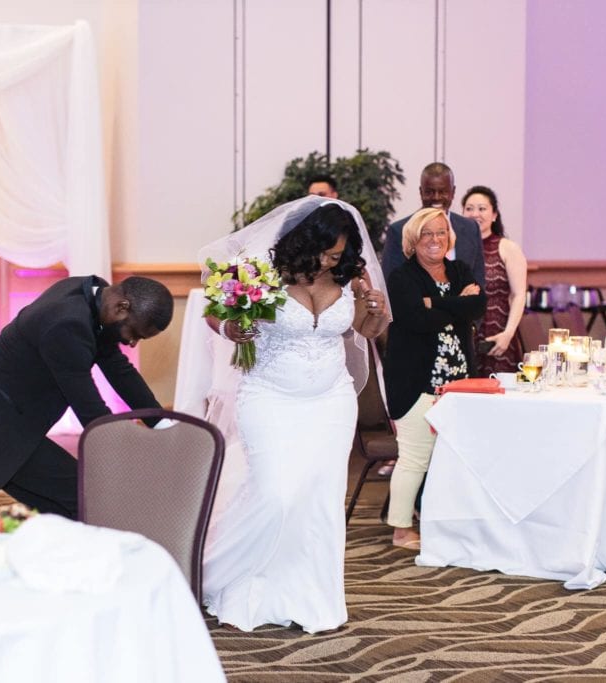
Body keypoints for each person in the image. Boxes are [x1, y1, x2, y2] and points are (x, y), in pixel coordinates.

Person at [198, 196, 389, 633]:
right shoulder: (263, 273)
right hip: (269, 396)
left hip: (332, 400)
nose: (328, 261)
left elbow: (367, 332)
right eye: (323, 252)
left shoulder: (350, 280)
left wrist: (375, 310)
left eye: (337, 255)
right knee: (276, 494)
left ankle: (309, 595)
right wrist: (232, 327)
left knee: (320, 499)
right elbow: (217, 315)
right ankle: (223, 575)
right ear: (305, 242)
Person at [0, 275, 173, 519]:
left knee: (71, 507)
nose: (132, 343)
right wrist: (139, 453)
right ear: (122, 306)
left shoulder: (93, 295)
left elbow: (119, 370)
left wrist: (163, 424)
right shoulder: (66, 324)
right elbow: (90, 409)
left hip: (5, 415)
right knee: (87, 499)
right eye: (135, 333)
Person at [383, 207, 486, 550]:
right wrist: (457, 304)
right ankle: (400, 530)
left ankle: (442, 521)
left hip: (459, 382)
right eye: (427, 233)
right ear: (413, 240)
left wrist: (436, 303)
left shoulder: (459, 270)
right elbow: (417, 320)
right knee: (415, 457)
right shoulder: (401, 278)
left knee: (453, 456)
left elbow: (478, 307)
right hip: (416, 382)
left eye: (441, 233)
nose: (434, 240)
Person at [381, 162, 485, 290]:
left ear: (453, 192)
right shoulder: (399, 231)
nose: (436, 197)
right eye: (430, 192)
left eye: (442, 192)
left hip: (465, 309)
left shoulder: (471, 229)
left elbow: (479, 286)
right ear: (421, 192)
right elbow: (391, 286)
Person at [462, 186, 528, 376]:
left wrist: (508, 334)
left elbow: (518, 295)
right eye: (469, 208)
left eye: (482, 209)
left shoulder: (507, 247)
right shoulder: (454, 248)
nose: (475, 214)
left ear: (494, 215)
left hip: (498, 336)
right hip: (464, 336)